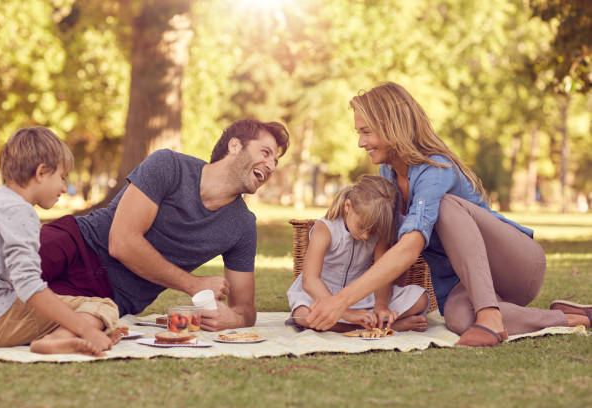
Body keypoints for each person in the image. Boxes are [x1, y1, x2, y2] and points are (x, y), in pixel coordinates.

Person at [304, 82, 591, 346]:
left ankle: (490, 315)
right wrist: (381, 305)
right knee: (460, 321)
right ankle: (571, 318)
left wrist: (340, 301)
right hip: (461, 282)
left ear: (392, 127)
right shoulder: (387, 176)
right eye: (359, 133)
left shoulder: (436, 169)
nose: (360, 143)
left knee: (446, 206)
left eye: (366, 132)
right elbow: (387, 246)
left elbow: (410, 247)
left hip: (514, 266)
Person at [39, 119, 289, 331]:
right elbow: (122, 243)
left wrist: (232, 319)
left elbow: (245, 309)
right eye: (265, 153)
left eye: (275, 162)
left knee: (28, 317)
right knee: (3, 272)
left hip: (109, 297)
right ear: (235, 146)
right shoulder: (169, 166)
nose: (270, 166)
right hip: (77, 242)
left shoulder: (242, 226)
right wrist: (195, 285)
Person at [0, 127, 120, 356]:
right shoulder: (19, 210)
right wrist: (87, 330)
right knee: (103, 306)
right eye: (62, 178)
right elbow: (28, 285)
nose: (64, 188)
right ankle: (56, 340)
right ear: (41, 172)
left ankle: (61, 335)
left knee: (64, 305)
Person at [287, 175, 428, 332]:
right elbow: (309, 280)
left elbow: (383, 276)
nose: (367, 236)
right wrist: (345, 313)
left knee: (420, 299)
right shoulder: (325, 228)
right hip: (320, 294)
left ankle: (360, 324)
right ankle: (388, 326)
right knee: (303, 315)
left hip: (360, 295)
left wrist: (381, 306)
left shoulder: (378, 235)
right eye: (362, 227)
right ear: (348, 207)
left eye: (372, 231)